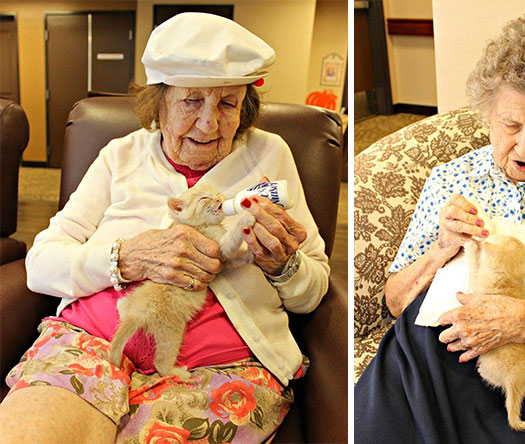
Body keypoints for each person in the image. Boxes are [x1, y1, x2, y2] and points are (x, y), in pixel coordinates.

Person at [0, 12, 329, 444]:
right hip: (92, 342)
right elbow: (42, 264)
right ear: (158, 103)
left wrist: (284, 265)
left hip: (218, 367)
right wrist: (126, 258)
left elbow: (312, 291)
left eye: (227, 104)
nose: (209, 123)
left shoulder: (270, 155)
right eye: (191, 101)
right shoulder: (120, 155)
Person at [354, 15, 525, 444]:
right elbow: (395, 302)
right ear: (488, 114)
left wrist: (520, 320)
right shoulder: (451, 178)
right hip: (433, 353)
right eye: (510, 125)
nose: (524, 146)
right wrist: (441, 249)